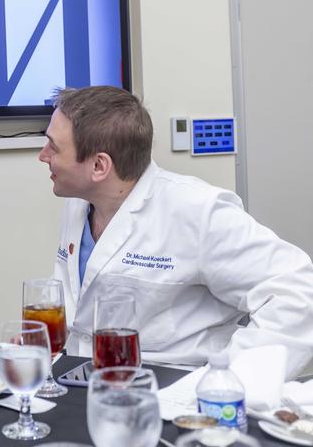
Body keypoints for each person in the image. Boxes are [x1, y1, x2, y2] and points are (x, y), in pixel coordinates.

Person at [39, 85, 313, 377]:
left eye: (53, 147)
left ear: (98, 165)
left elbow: (298, 294)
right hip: (86, 380)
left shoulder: (197, 210)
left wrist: (230, 378)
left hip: (176, 392)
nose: (43, 156)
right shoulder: (79, 204)